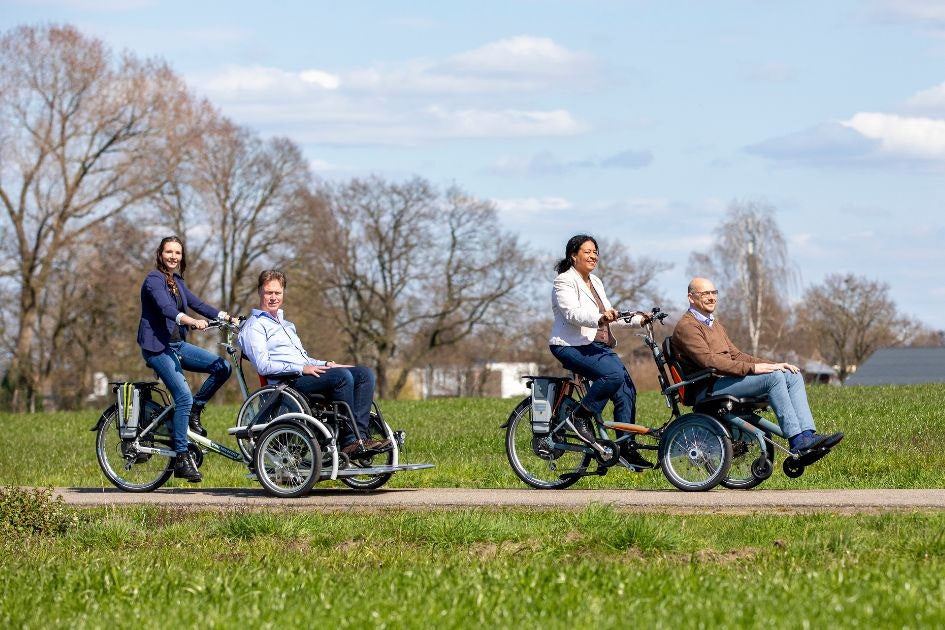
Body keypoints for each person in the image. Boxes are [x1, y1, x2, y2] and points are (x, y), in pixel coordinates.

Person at [671, 277, 843, 454]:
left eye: (714, 292)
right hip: (706, 387)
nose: (711, 297)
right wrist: (753, 369)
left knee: (792, 374)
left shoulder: (713, 324)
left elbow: (736, 355)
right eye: (705, 293)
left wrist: (775, 364)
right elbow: (708, 361)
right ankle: (797, 441)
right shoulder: (687, 326)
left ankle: (807, 436)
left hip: (724, 381)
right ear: (691, 298)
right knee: (774, 378)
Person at [238, 270, 391, 457]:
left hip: (302, 374)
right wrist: (301, 368)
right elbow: (263, 365)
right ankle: (349, 441)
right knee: (341, 378)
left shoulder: (286, 325)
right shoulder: (254, 326)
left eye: (277, 293)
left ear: (283, 293)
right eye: (269, 292)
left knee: (363, 373)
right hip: (285, 384)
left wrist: (327, 364)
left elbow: (305, 359)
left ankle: (361, 437)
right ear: (260, 291)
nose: (273, 297)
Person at [548, 234, 653, 468]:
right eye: (587, 251)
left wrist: (638, 320)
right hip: (569, 345)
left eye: (595, 251)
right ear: (573, 256)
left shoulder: (595, 282)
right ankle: (579, 416)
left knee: (626, 389)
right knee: (613, 375)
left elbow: (610, 316)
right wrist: (599, 317)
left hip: (596, 346)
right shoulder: (564, 281)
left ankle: (626, 448)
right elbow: (571, 314)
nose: (593, 255)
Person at [138, 236, 235, 482]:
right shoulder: (154, 280)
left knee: (221, 366)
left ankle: (195, 411)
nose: (173, 256)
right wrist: (190, 321)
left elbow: (198, 303)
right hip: (157, 348)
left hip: (177, 345)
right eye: (169, 252)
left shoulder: (177, 282)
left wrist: (227, 317)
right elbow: (165, 309)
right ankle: (181, 457)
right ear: (160, 254)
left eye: (178, 253)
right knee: (183, 396)